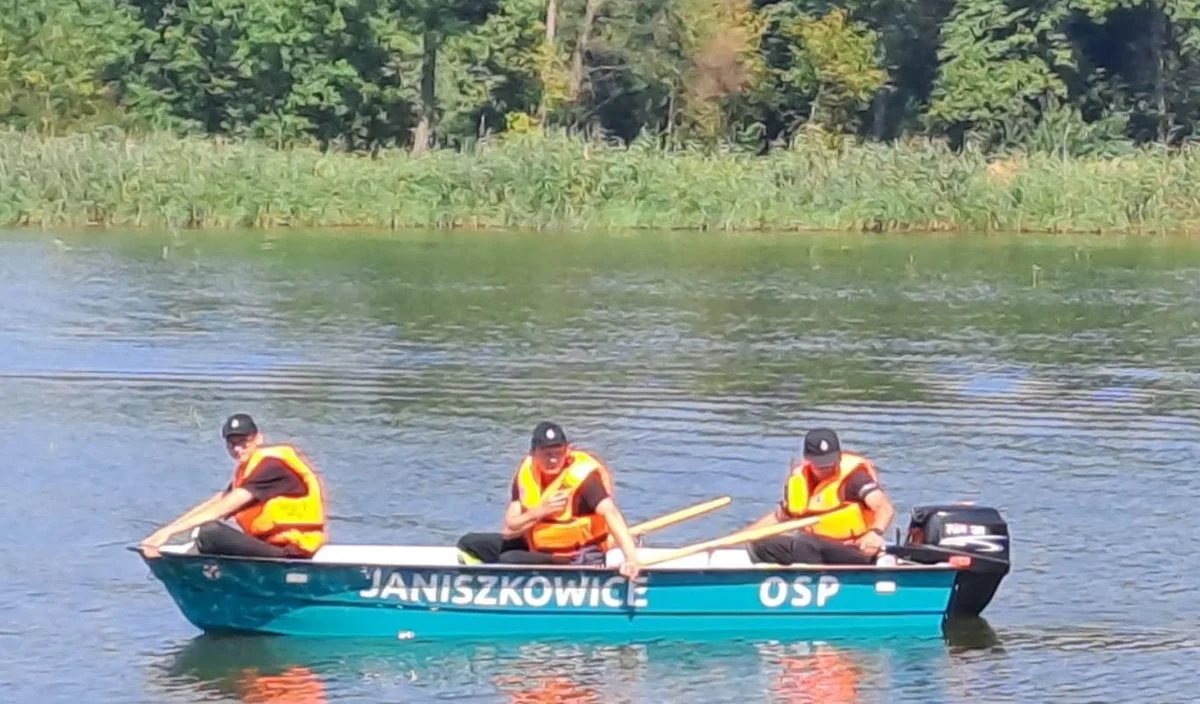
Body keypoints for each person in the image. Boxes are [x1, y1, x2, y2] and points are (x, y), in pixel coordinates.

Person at [456, 421, 643, 579]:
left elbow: (612, 514)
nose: (553, 460)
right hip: (537, 544)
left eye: (558, 452)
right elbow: (509, 529)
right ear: (533, 454)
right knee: (470, 543)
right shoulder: (527, 474)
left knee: (509, 560)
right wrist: (541, 511)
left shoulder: (583, 478)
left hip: (574, 555)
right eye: (547, 454)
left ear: (567, 451)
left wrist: (631, 560)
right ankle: (479, 581)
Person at [138, 413, 328, 560]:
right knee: (206, 532)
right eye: (232, 444)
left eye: (244, 443)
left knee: (210, 533)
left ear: (258, 439)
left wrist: (168, 533)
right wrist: (163, 531)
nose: (237, 450)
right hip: (273, 548)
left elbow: (220, 510)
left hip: (292, 553)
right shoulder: (248, 472)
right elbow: (213, 504)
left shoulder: (272, 467)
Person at [743, 428, 894, 565]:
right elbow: (778, 518)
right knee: (759, 544)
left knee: (805, 543)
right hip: (813, 549)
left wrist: (875, 533)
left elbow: (884, 508)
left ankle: (816, 580)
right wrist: (737, 540)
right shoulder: (800, 483)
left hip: (854, 549)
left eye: (831, 463)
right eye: (820, 466)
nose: (827, 469)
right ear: (808, 460)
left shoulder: (855, 479)